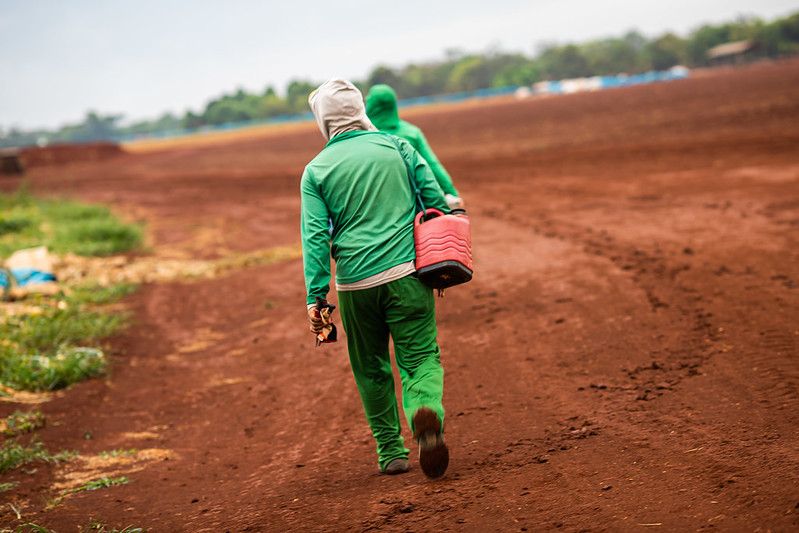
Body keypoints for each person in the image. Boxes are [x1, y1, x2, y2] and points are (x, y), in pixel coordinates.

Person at [301, 78, 450, 478]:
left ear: (324, 120)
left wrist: (317, 296)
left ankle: (390, 452)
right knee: (418, 357)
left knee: (370, 367)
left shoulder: (315, 171)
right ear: (359, 109)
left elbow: (315, 239)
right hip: (407, 274)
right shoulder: (398, 146)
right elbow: (435, 201)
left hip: (354, 287)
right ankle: (426, 411)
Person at [365, 84, 464, 210]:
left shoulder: (362, 137)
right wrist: (451, 192)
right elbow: (431, 164)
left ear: (372, 106)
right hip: (410, 205)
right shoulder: (412, 133)